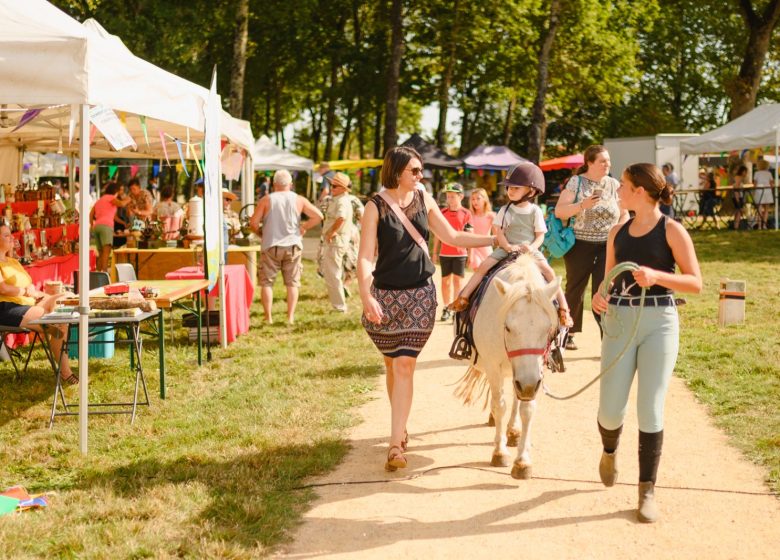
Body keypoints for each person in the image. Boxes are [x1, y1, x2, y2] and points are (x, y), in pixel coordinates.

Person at [358, 146, 495, 472]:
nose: (421, 176)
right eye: (415, 171)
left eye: (421, 171)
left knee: (404, 365)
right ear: (396, 172)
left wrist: (494, 241)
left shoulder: (424, 198)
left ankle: (395, 445)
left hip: (420, 293)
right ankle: (400, 427)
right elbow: (365, 257)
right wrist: (366, 295)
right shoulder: (374, 207)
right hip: (385, 296)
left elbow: (452, 237)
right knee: (393, 367)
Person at [591, 163, 702, 523]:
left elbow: (696, 283)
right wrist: (598, 297)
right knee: (609, 409)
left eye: (623, 185)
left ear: (640, 190)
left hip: (660, 324)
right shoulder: (616, 232)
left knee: (650, 407)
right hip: (620, 322)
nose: (618, 190)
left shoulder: (672, 230)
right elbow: (606, 281)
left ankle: (646, 490)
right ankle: (610, 450)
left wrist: (657, 276)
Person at [449, 163, 573, 328]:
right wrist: (506, 246)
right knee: (483, 267)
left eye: (515, 188)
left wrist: (533, 248)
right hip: (506, 248)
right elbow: (499, 232)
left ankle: (564, 309)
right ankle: (463, 297)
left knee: (549, 272)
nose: (510, 191)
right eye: (509, 188)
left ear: (532, 190)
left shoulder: (535, 210)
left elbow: (540, 236)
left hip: (529, 251)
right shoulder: (505, 210)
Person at [555, 145, 629, 350]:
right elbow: (560, 212)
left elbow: (624, 212)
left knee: (604, 289)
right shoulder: (576, 182)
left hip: (607, 245)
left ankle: (607, 335)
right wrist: (582, 205)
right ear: (589, 162)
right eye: (602, 161)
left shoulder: (614, 184)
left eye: (609, 161)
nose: (608, 164)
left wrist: (621, 229)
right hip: (579, 245)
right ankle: (567, 332)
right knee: (575, 289)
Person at [0, 225, 75, 384]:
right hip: (8, 307)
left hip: (30, 302)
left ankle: (56, 322)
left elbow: (30, 286)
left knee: (67, 296)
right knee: (59, 320)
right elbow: (3, 288)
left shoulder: (13, 261)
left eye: (10, 234)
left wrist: (40, 295)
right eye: (7, 235)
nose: (12, 238)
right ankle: (65, 372)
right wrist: (24, 291)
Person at [249, 169, 323, 324]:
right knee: (292, 283)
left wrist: (262, 234)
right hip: (293, 246)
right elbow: (318, 216)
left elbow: (253, 223)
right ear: (290, 184)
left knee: (267, 283)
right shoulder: (299, 199)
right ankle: (290, 317)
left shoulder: (266, 199)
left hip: (271, 245)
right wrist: (304, 227)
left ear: (274, 184)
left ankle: (268, 317)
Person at [432, 183, 472, 322]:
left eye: (453, 197)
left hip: (460, 254)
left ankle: (455, 308)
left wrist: (470, 254)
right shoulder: (442, 213)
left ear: (460, 196)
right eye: (448, 197)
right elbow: (437, 234)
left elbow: (469, 236)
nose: (449, 199)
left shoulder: (467, 213)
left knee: (458, 282)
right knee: (445, 282)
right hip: (445, 253)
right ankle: (446, 308)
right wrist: (435, 252)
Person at [320, 172, 354, 313]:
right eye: (331, 185)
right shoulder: (339, 199)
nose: (331, 188)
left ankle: (340, 307)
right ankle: (339, 304)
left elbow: (341, 218)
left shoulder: (341, 201)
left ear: (343, 188)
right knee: (333, 273)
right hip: (336, 241)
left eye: (334, 186)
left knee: (332, 274)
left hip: (336, 241)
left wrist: (331, 232)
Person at [90, 181, 130, 272]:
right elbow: (122, 204)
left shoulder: (100, 200)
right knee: (106, 252)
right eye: (120, 190)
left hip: (97, 227)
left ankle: (97, 273)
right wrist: (128, 199)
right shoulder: (111, 198)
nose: (121, 192)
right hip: (106, 226)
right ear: (116, 190)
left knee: (101, 253)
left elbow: (91, 213)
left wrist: (92, 225)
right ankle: (104, 273)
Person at [467, 187, 495, 271]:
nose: (475, 201)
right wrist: (470, 254)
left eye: (478, 199)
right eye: (473, 199)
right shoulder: (469, 215)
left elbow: (497, 235)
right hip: (474, 247)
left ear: (485, 199)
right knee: (478, 270)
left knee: (487, 273)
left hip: (487, 248)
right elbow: (469, 236)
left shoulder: (491, 216)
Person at [753, 159, 775, 229]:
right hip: (767, 191)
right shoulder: (769, 173)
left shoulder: (757, 173)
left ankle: (759, 225)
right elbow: (772, 184)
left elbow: (755, 184)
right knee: (766, 209)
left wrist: (754, 191)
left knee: (759, 209)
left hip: (759, 191)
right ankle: (764, 225)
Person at [731, 164, 747, 230]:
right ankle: (736, 226)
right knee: (739, 211)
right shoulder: (738, 178)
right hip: (737, 196)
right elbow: (736, 189)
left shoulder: (738, 177)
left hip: (738, 196)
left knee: (738, 211)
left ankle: (736, 225)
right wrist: (737, 199)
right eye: (745, 172)